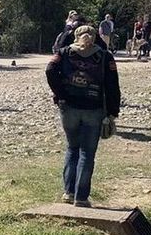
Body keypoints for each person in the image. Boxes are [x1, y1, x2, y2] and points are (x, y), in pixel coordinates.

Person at [45, 24, 121, 208]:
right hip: (94, 109)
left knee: (72, 148)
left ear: (75, 36)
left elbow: (49, 70)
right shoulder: (105, 56)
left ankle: (69, 192)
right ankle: (81, 197)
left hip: (68, 107)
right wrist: (113, 111)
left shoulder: (64, 52)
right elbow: (112, 85)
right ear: (95, 37)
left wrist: (60, 94)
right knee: (87, 153)